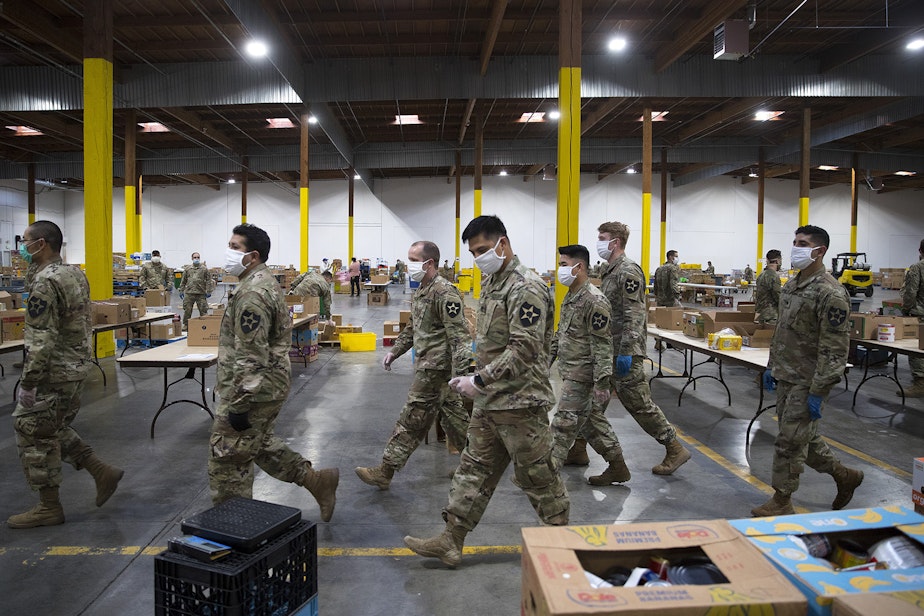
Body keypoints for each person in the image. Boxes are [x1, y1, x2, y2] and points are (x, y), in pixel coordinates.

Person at [404, 215, 569, 567]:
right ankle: (451, 540)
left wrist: (478, 380)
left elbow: (525, 348)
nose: (478, 257)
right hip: (491, 399)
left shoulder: (527, 287)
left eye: (482, 249)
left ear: (502, 244)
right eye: (473, 252)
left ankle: (561, 546)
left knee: (539, 477)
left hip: (521, 403)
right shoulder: (494, 282)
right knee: (472, 470)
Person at [208, 224, 339, 520]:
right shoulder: (260, 283)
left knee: (228, 458)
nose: (228, 252)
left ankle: (231, 524)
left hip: (253, 389)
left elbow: (251, 356)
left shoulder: (252, 293)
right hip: (268, 384)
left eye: (234, 247)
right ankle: (317, 481)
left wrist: (239, 404)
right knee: (258, 442)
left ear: (252, 256)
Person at [8, 221, 123, 528]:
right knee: (52, 426)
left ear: (41, 244)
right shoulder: (73, 273)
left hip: (53, 371)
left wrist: (29, 382)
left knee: (31, 429)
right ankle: (100, 470)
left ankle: (48, 506)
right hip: (75, 366)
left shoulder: (46, 281)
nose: (22, 248)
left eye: (25, 242)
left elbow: (40, 337)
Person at [752, 225, 864, 516]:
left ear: (819, 251)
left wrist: (820, 389)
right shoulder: (791, 285)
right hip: (787, 373)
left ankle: (782, 500)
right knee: (805, 438)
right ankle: (845, 476)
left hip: (809, 380)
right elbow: (781, 332)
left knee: (789, 440)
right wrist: (771, 366)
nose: (795, 248)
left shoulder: (830, 292)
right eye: (794, 242)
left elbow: (836, 347)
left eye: (802, 243)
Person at [355, 241, 471, 490]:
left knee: (412, 419)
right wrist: (394, 352)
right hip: (429, 365)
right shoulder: (423, 289)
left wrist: (463, 375)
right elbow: (412, 328)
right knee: (455, 419)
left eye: (413, 260)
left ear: (429, 263)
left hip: (436, 369)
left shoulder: (444, 293)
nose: (408, 265)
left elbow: (460, 338)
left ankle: (385, 471)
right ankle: (478, 466)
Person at [593, 220, 691, 475]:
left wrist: (626, 350)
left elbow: (634, 313)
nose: (599, 242)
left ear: (615, 242)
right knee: (591, 403)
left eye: (602, 237)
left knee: (638, 403)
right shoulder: (609, 270)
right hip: (609, 349)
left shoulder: (628, 270)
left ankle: (674, 447)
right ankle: (578, 447)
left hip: (624, 351)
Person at [550, 244, 630, 485]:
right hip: (571, 369)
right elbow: (561, 333)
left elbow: (603, 343)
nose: (560, 270)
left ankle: (543, 475)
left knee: (563, 424)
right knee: (591, 423)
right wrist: (545, 361)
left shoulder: (594, 300)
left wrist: (603, 381)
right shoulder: (572, 295)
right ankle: (618, 467)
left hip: (584, 374)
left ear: (579, 267)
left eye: (563, 265)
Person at [899, 238, 924, 397]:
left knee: (916, 349)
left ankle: (920, 383)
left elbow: (910, 293)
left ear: (920, 251)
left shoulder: (917, 267)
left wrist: (906, 310)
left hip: (920, 315)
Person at [179, 251, 214, 330]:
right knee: (187, 310)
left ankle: (205, 325)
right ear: (192, 258)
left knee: (203, 310)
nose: (196, 259)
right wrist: (181, 290)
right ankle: (186, 324)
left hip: (200, 293)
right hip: (189, 292)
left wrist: (209, 291)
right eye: (195, 257)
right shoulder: (187, 269)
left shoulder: (204, 269)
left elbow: (208, 280)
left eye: (198, 257)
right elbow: (183, 280)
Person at [755, 249, 783, 324]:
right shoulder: (773, 276)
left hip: (761, 314)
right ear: (778, 261)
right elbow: (778, 296)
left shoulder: (761, 274)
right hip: (771, 316)